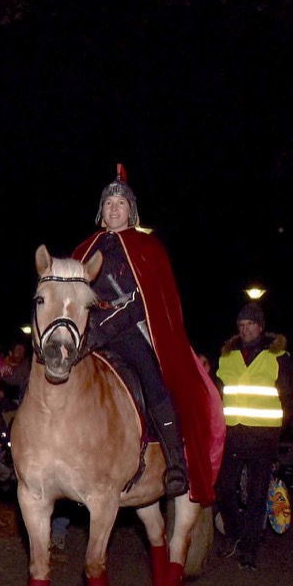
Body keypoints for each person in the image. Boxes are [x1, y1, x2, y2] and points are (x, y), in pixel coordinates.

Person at [72, 163, 225, 500]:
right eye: (109, 203)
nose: (114, 209)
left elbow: (147, 300)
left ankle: (175, 464)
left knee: (151, 377)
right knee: (53, 363)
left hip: (128, 332)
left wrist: (106, 327)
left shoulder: (149, 248)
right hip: (87, 330)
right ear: (101, 211)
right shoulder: (84, 250)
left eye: (121, 203)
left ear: (131, 210)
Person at [214, 302, 293, 571]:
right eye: (241, 325)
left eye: (250, 324)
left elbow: (289, 395)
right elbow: (216, 391)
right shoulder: (227, 357)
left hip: (263, 435)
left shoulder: (278, 356)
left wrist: (279, 429)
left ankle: (249, 549)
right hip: (233, 432)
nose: (245, 329)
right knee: (224, 488)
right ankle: (237, 533)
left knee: (257, 493)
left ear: (260, 327)